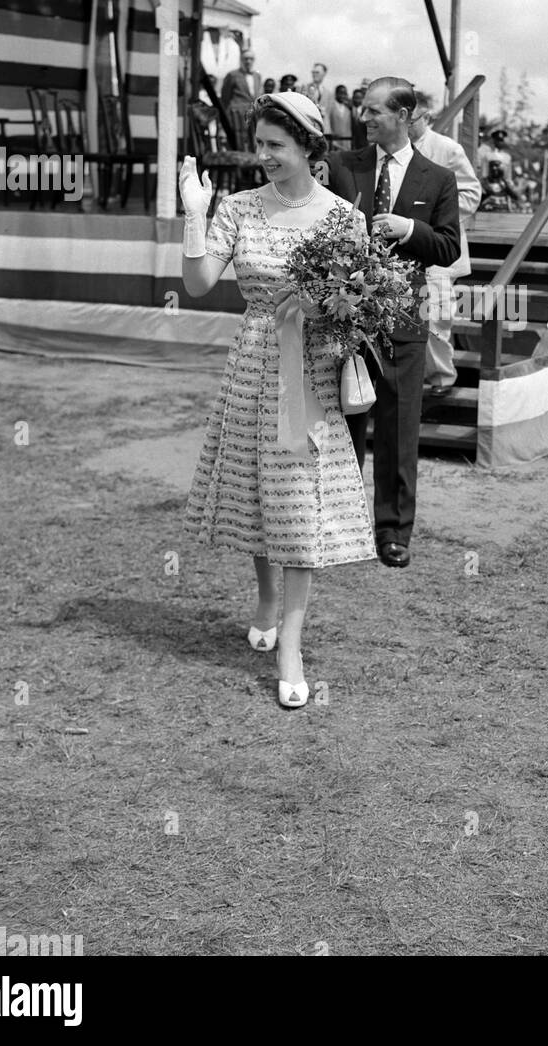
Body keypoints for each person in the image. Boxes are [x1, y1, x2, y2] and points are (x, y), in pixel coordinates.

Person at [179, 91, 376, 709]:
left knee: (297, 501)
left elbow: (362, 307)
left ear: (309, 148)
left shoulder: (344, 217)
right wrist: (194, 212)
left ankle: (291, 642)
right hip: (251, 365)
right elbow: (199, 283)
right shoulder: (237, 207)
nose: (262, 155)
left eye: (275, 146)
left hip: (309, 372)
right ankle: (265, 598)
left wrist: (324, 306)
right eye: (259, 144)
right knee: (257, 495)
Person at [330, 77, 460, 569]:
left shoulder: (438, 178)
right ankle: (339, 524)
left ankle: (393, 532)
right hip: (346, 322)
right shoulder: (343, 168)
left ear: (404, 116)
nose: (363, 119)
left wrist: (411, 230)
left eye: (373, 111)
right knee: (344, 422)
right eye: (363, 110)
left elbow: (448, 246)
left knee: (399, 430)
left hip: (406, 322)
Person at [408, 91, 482, 396]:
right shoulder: (386, 149)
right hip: (403, 245)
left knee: (436, 318)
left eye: (410, 120)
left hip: (439, 245)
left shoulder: (447, 149)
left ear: (427, 117)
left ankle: (441, 381)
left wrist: (433, 213)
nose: (404, 125)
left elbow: (471, 194)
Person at [220, 47, 261, 147]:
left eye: (251, 59)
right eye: (246, 59)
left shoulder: (257, 76)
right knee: (239, 141)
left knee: (254, 139)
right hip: (237, 113)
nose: (248, 61)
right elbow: (225, 97)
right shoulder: (232, 75)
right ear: (241, 60)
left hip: (253, 112)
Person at [329, 84, 354, 149]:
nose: (343, 96)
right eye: (341, 93)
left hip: (347, 143)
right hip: (335, 143)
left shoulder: (348, 109)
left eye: (345, 93)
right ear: (336, 94)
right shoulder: (331, 107)